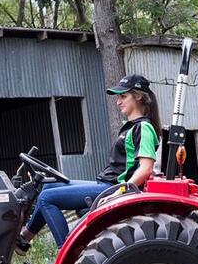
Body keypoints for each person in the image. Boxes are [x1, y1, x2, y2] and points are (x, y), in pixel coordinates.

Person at [16, 74, 162, 253]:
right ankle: (23, 239)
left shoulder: (143, 128)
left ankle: (69, 254)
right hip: (105, 183)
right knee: (47, 188)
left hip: (112, 188)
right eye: (118, 97)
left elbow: (146, 169)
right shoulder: (131, 127)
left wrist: (119, 191)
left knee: (47, 199)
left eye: (123, 96)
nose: (118, 102)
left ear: (138, 97)